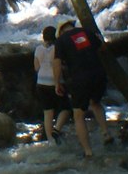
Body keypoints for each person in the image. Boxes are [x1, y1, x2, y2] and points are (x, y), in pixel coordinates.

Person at [55, 21, 111, 159]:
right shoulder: (87, 32)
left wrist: (57, 82)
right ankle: (106, 133)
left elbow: (56, 63)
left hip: (80, 79)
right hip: (99, 74)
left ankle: (88, 151)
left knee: (78, 115)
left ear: (61, 31)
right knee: (95, 103)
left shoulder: (61, 41)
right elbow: (103, 47)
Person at [34, 26, 72, 143]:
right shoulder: (57, 48)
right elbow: (60, 65)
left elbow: (36, 67)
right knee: (66, 108)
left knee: (48, 112)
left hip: (40, 83)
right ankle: (57, 129)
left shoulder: (38, 49)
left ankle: (50, 140)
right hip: (55, 82)